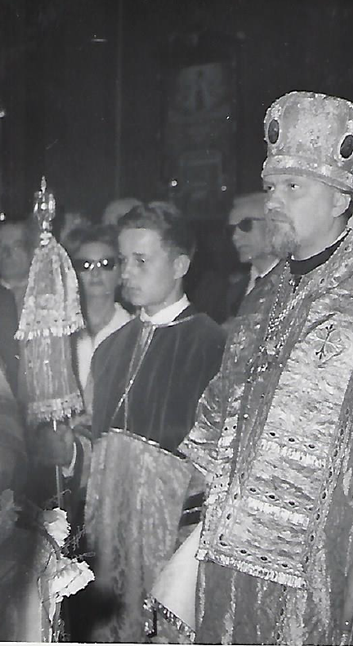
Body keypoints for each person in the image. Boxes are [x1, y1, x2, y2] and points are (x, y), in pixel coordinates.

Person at [173, 92, 353, 644]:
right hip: (232, 554)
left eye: (294, 187)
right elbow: (216, 416)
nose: (274, 201)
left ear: (342, 198)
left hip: (330, 559)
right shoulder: (264, 295)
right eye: (272, 186)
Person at [42, 201, 226, 642]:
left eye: (141, 260)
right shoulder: (110, 349)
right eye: (123, 260)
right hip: (107, 542)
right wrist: (69, 448)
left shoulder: (212, 346)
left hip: (170, 547)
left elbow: (217, 464)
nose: (126, 272)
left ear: (180, 264)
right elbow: (94, 443)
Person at [68, 225, 132, 396]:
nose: (95, 272)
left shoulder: (134, 332)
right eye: (85, 265)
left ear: (121, 273)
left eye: (106, 264)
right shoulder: (61, 333)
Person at [225, 192, 280, 319]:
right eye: (231, 230)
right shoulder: (235, 292)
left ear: (272, 225)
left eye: (245, 225)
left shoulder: (295, 284)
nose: (235, 237)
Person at [0, 218, 36, 313]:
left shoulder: (44, 294)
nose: (7, 253)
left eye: (16, 246)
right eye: (2, 246)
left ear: (31, 251)